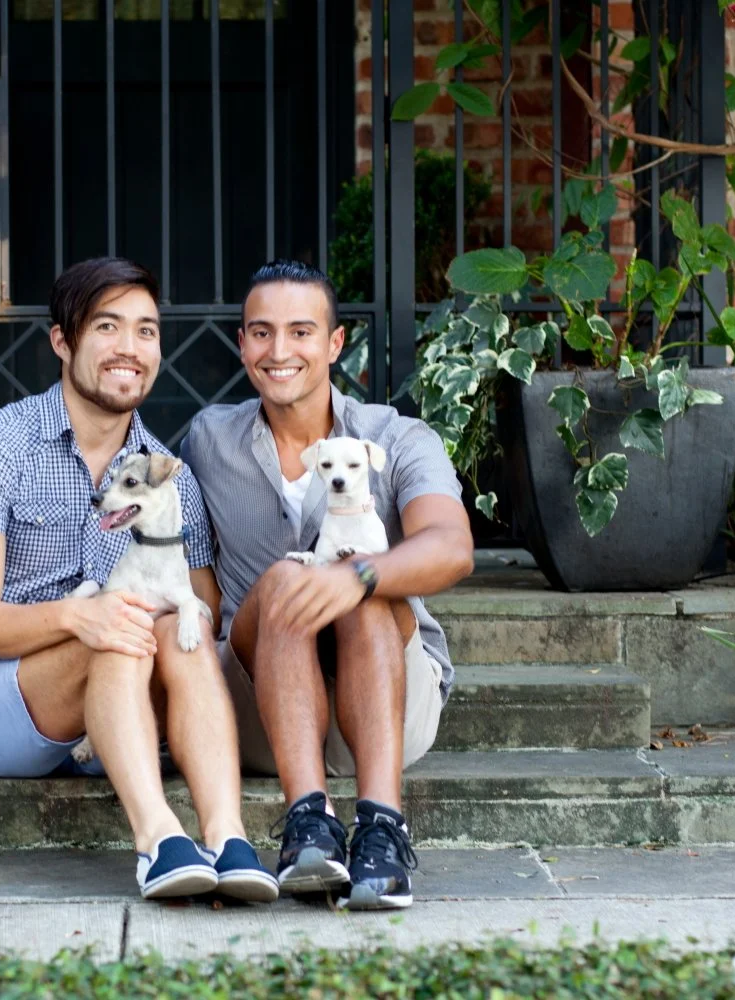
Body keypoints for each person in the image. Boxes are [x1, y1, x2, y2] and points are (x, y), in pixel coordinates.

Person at [0, 257, 278, 902]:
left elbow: (202, 605)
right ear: (63, 341)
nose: (130, 348)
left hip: (122, 703)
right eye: (107, 326)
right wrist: (74, 615)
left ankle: (228, 836)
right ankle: (158, 841)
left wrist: (166, 613)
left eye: (146, 330)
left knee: (183, 623)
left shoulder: (169, 477)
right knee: (115, 628)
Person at [181, 259, 474, 910]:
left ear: (336, 344)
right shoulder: (209, 439)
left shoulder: (394, 438)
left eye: (301, 332)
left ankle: (381, 826)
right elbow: (187, 565)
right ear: (242, 343)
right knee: (290, 575)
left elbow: (452, 548)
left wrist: (360, 578)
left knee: (357, 584)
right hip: (263, 708)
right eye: (260, 332)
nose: (279, 351)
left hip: (391, 705)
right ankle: (309, 822)